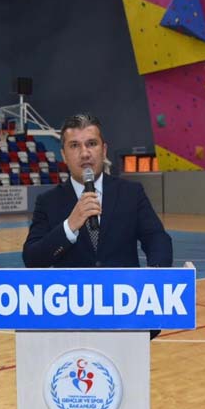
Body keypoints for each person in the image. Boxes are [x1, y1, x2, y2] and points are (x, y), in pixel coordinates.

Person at [22, 113, 174, 338]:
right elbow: (32, 258)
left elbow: (157, 238)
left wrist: (155, 275)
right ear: (63, 154)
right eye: (75, 145)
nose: (84, 153)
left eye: (91, 143)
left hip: (126, 313)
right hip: (71, 319)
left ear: (104, 150)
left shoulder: (131, 193)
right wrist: (69, 226)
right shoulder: (48, 202)